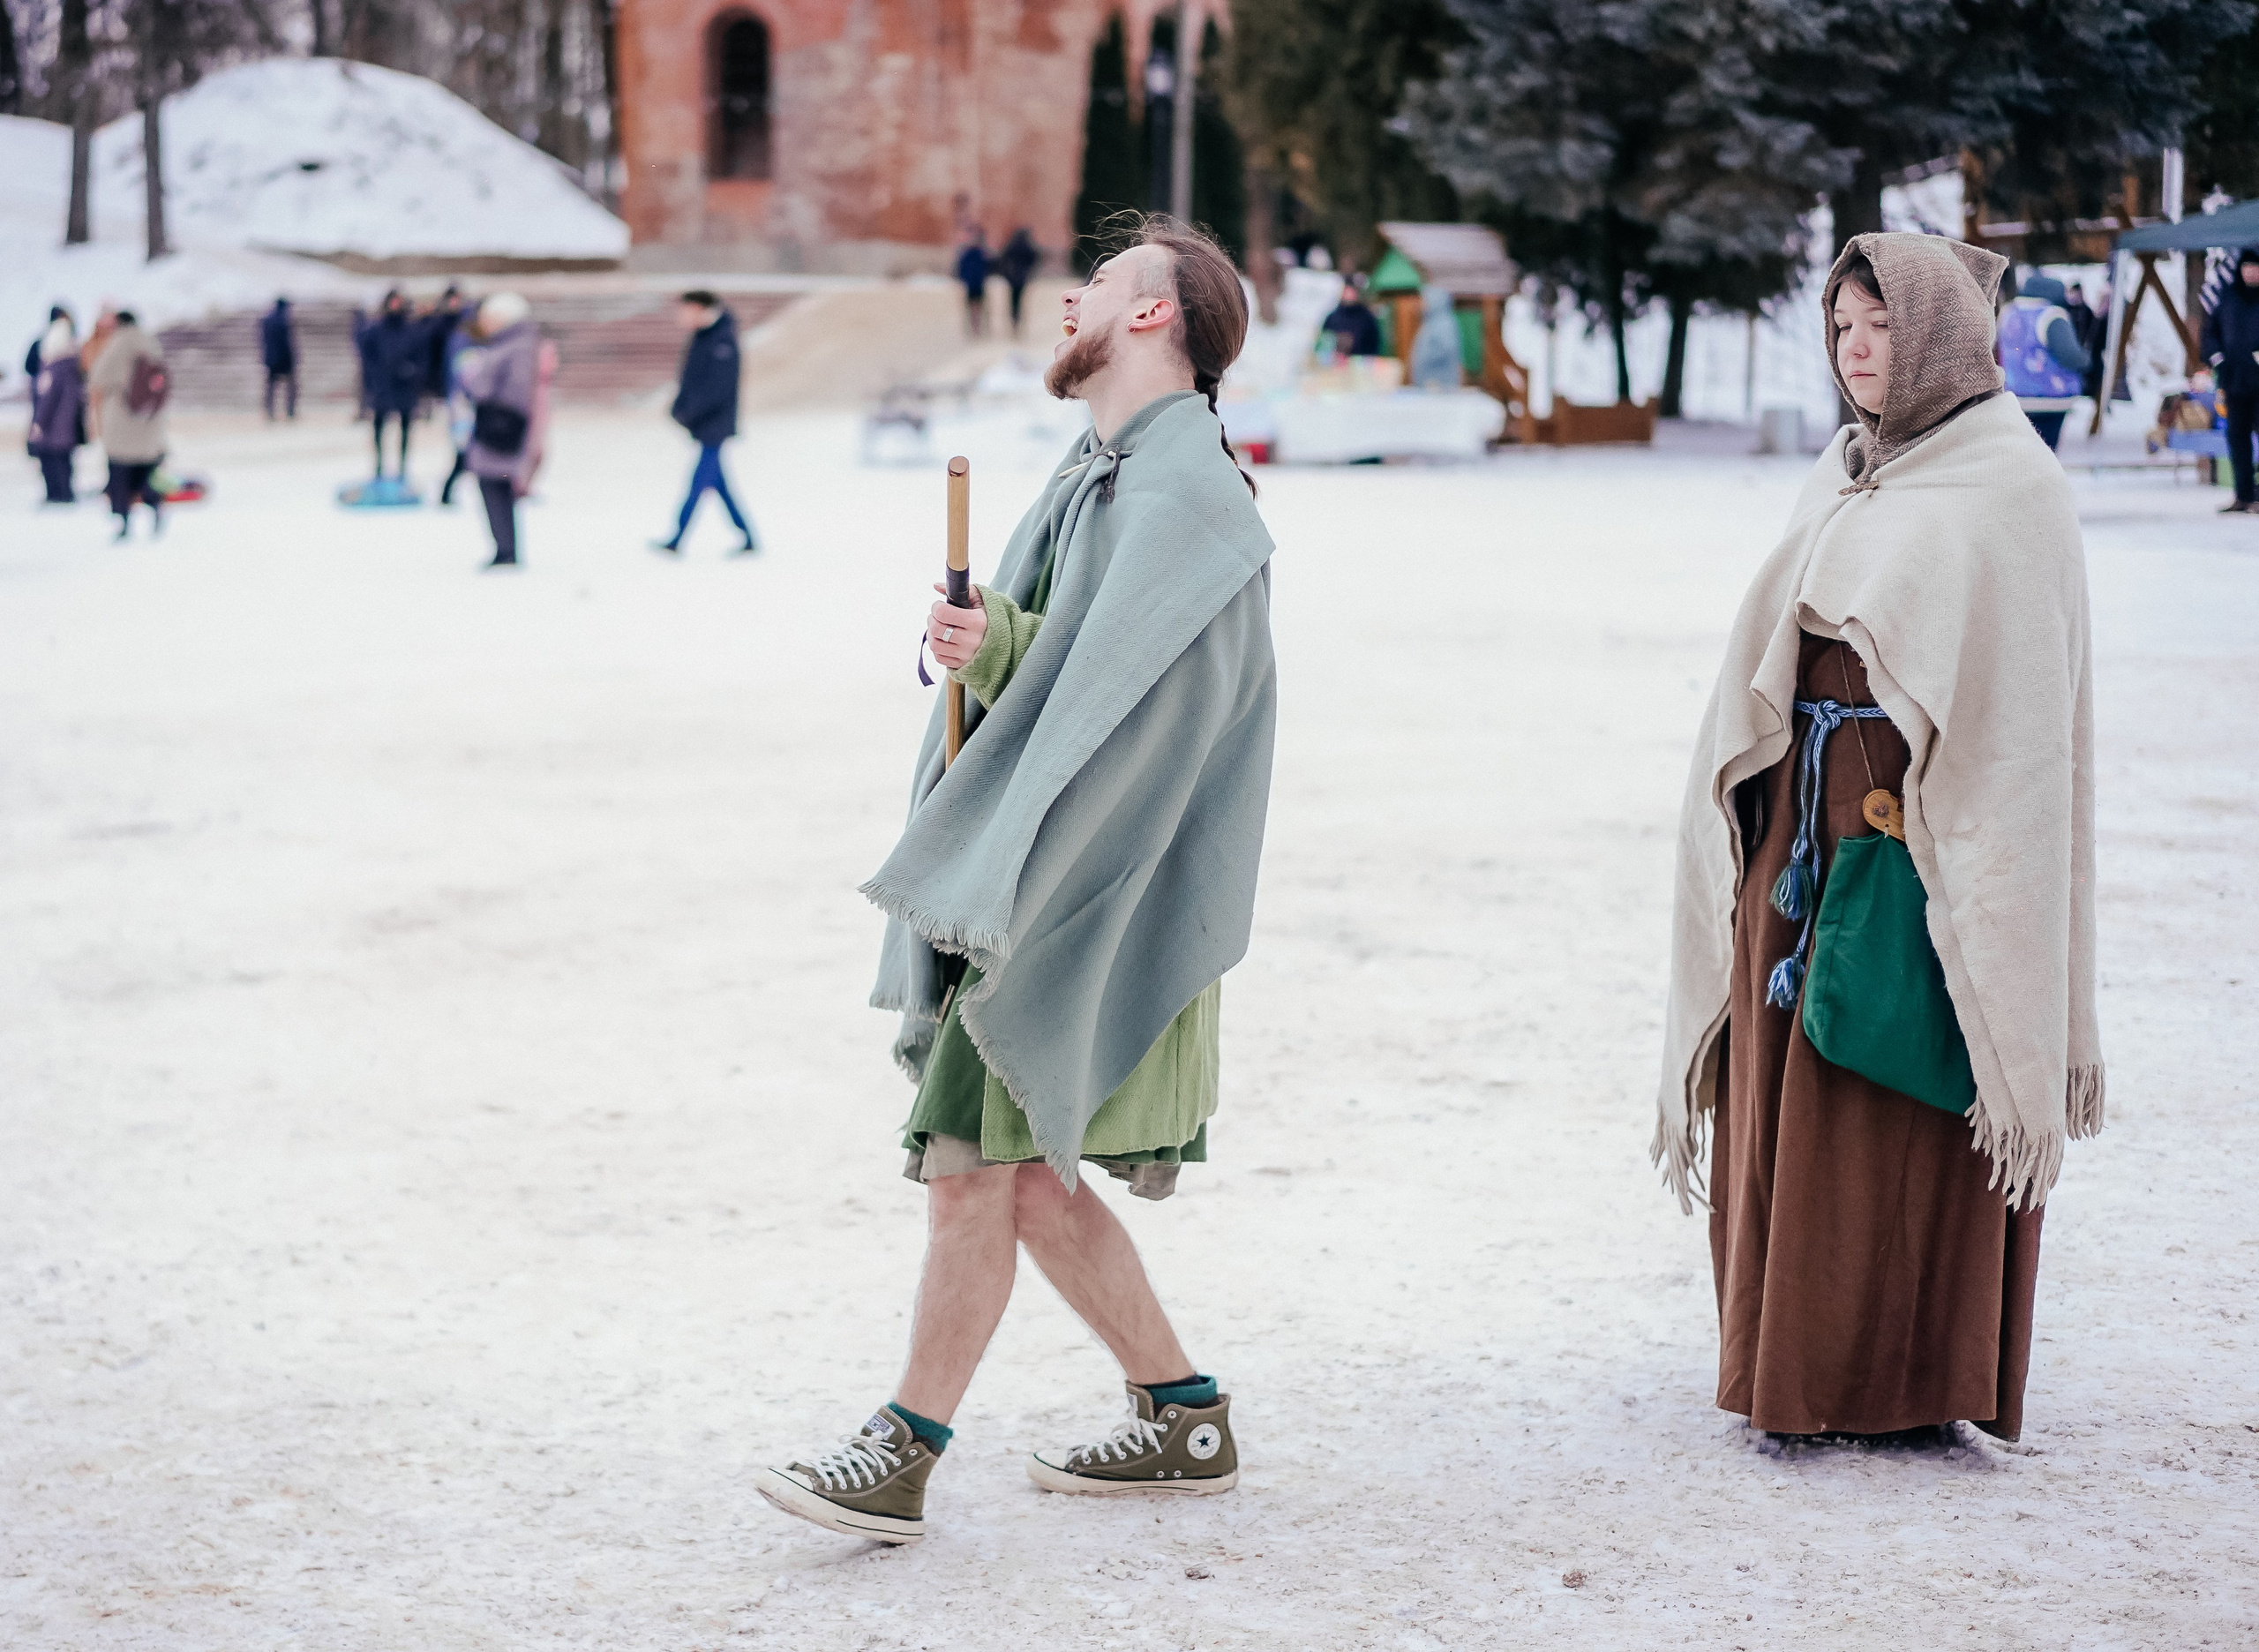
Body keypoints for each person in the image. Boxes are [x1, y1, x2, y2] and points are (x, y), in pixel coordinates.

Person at [757, 216, 1276, 1546]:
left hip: (1083, 900)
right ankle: (1183, 1412)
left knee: (972, 1169)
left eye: (1100, 285)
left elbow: (1146, 708)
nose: (1072, 300)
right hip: (1037, 890)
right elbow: (1072, 661)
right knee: (1025, 1177)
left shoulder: (1190, 496)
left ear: (1155, 318)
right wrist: (991, 641)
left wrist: (1012, 644)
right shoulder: (1100, 470)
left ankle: (904, 1448)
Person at [1655, 233, 2103, 1449]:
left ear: (1945, 337)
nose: (1858, 349)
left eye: (1883, 326)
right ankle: (1782, 1358)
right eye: (1842, 325)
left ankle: (1893, 1375)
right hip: (1794, 819)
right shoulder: (1851, 468)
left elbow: (2020, 724)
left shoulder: (2009, 485)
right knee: (1784, 1077)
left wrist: (1919, 828)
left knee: (1881, 1081)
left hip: (1916, 842)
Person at [653, 289, 756, 555]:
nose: (680, 316)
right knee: (719, 485)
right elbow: (689, 380)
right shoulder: (704, 336)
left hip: (715, 426)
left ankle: (677, 538)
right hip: (705, 424)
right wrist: (680, 408)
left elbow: (716, 390)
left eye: (684, 310)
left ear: (698, 308)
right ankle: (747, 536)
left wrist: (687, 413)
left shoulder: (722, 340)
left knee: (698, 483)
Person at [453, 292, 547, 569]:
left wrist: (477, 384)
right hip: (499, 422)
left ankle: (505, 550)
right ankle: (504, 548)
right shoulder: (513, 343)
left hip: (501, 425)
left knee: (495, 485)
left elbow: (513, 389)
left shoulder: (517, 345)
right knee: (495, 486)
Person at [86, 310, 171, 541]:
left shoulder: (119, 343)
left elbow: (97, 376)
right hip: (149, 422)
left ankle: (124, 522)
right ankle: (155, 508)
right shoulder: (151, 342)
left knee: (121, 475)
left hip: (122, 421)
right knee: (147, 473)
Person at [1999, 270, 2090, 450]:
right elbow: (2069, 355)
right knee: (2046, 451)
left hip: (2014, 393)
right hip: (2051, 397)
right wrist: (2085, 359)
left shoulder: (2009, 312)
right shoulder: (2051, 315)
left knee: (2023, 452)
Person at [2200, 247, 2259, 514]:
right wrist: (2219, 360)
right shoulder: (2228, 298)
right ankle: (2243, 494)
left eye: (2255, 267)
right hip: (2235, 382)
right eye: (2247, 266)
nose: (2251, 271)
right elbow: (2210, 334)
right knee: (2238, 439)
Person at [357, 289, 428, 482]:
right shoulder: (375, 330)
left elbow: (422, 357)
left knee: (406, 427)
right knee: (379, 427)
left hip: (405, 387)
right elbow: (368, 358)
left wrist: (413, 372)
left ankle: (403, 468)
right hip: (384, 386)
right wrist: (375, 381)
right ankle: (379, 466)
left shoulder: (412, 330)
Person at [27, 313, 85, 504]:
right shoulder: (73, 365)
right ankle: (64, 494)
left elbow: (47, 399)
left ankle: (58, 495)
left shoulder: (54, 369)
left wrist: (38, 423)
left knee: (52, 463)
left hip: (53, 425)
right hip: (67, 423)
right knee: (64, 463)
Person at [1409, 284, 1463, 388]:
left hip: (1440, 383)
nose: (1422, 304)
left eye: (1425, 300)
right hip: (1427, 383)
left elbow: (1447, 348)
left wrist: (1426, 359)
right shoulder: (1430, 322)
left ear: (1435, 301)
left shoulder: (1444, 323)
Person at [1319, 276, 1382, 357]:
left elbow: (1374, 346)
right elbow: (1323, 344)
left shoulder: (1367, 318)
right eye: (1346, 290)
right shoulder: (1332, 317)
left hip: (1360, 366)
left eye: (1352, 290)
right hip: (1335, 366)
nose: (1349, 294)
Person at [259, 297, 298, 420]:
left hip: (272, 358)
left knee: (271, 388)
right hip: (284, 359)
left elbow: (264, 340)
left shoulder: (267, 320)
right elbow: (287, 342)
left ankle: (270, 412)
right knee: (290, 386)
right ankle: (290, 411)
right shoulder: (284, 320)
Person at [997, 228, 1039, 336]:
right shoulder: (1026, 246)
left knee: (1013, 302)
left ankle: (1014, 324)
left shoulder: (1012, 245)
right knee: (1019, 302)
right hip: (1021, 278)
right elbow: (1034, 258)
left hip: (1013, 278)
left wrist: (1006, 272)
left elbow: (1003, 258)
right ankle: (1017, 324)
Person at [956, 228, 991, 338]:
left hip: (978, 284)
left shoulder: (981, 254)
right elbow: (961, 269)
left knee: (978, 307)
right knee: (973, 307)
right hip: (972, 284)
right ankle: (974, 328)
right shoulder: (970, 254)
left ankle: (978, 328)